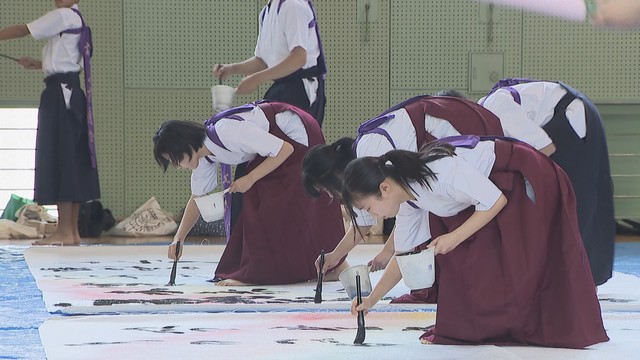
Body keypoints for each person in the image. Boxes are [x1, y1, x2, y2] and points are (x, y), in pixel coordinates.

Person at [343, 137, 608, 348]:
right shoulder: (409, 200)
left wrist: (453, 237)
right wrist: (373, 298)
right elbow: (402, 255)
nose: (374, 215)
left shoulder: (439, 172)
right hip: (494, 194)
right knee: (476, 270)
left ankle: (546, 323)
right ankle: (500, 323)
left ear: (384, 188)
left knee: (527, 262)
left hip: (523, 178)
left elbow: (495, 201)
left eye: (370, 207)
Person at [302, 95, 504, 283]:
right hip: (450, 158)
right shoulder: (363, 173)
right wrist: (335, 258)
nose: (330, 195)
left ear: (333, 176)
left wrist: (391, 251)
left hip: (464, 137)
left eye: (325, 189)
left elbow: (401, 208)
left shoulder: (370, 150)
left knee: (470, 215)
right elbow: (366, 224)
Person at [153, 100, 345, 286]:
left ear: (184, 146)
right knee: (259, 199)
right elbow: (197, 199)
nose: (178, 167)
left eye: (175, 160)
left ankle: (268, 271)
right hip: (277, 147)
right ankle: (324, 267)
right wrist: (179, 238)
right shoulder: (203, 157)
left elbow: (285, 149)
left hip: (296, 134)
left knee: (265, 202)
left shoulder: (227, 131)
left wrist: (250, 178)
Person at [474, 79, 615, 286]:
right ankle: (570, 279)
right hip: (569, 116)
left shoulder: (494, 107)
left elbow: (544, 148)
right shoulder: (487, 116)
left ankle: (577, 283)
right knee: (562, 206)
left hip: (571, 119)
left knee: (573, 206)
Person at [0, 0, 99, 246]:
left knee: (61, 157)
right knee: (72, 158)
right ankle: (70, 232)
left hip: (60, 95)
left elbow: (24, 29)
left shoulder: (63, 16)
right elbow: (66, 60)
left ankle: (65, 232)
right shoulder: (77, 19)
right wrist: (39, 64)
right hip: (70, 91)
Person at [214, 0, 327, 125]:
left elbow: (299, 57)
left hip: (301, 88)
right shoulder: (266, 12)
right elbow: (263, 60)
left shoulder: (292, 5)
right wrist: (232, 69)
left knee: (295, 142)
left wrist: (256, 79)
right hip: (282, 88)